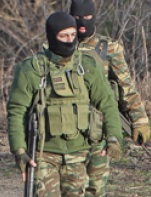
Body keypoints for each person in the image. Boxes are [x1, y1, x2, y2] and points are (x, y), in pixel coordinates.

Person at [7, 12, 125, 197]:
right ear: (52, 36)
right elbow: (16, 111)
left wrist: (113, 137)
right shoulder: (31, 69)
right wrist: (19, 150)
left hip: (78, 155)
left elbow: (107, 103)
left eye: (72, 35)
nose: (69, 40)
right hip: (43, 155)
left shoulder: (87, 66)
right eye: (63, 36)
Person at [69, 0, 151, 197]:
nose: (82, 22)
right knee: (70, 186)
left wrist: (139, 119)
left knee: (95, 187)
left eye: (88, 17)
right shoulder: (58, 45)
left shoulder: (108, 48)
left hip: (99, 126)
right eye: (77, 17)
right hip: (66, 126)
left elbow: (126, 87)